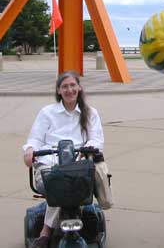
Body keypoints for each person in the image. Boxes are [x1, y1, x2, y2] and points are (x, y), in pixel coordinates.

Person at [23, 70, 104, 248]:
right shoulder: (47, 112)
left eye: (73, 85)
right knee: (58, 182)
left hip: (78, 165)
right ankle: (45, 231)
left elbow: (96, 139)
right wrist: (30, 150)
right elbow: (35, 138)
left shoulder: (90, 113)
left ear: (79, 88)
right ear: (58, 90)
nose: (69, 90)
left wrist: (88, 148)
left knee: (66, 183)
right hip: (50, 163)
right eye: (65, 86)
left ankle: (47, 231)